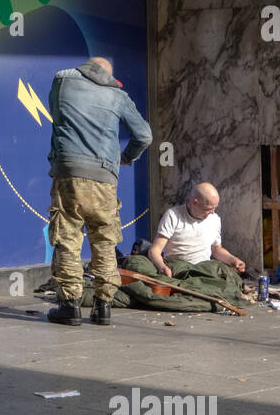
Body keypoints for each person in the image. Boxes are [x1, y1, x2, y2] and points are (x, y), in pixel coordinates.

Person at [45, 56, 152, 326]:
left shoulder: (62, 80)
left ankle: (69, 306)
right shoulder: (117, 95)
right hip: (105, 176)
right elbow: (144, 135)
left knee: (68, 238)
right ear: (108, 74)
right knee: (104, 241)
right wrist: (126, 157)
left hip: (69, 173)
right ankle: (103, 306)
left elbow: (56, 115)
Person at [148, 182, 246, 277]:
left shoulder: (214, 219)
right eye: (208, 209)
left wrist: (234, 260)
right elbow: (155, 250)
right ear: (195, 202)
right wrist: (162, 267)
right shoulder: (173, 216)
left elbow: (216, 250)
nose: (212, 212)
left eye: (215, 208)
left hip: (204, 270)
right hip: (178, 269)